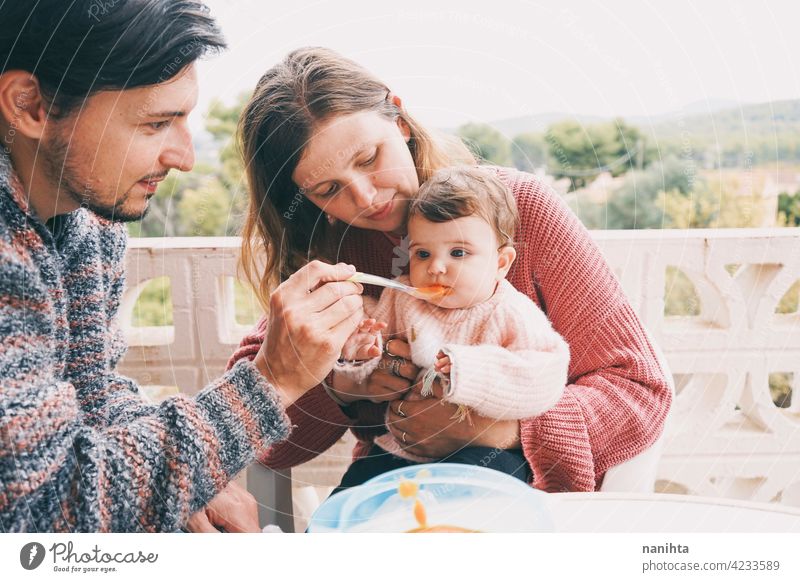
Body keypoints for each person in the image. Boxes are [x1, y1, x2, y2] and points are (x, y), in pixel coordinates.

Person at [230, 46, 672, 493]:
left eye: (368, 159)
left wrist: (499, 431)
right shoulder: (332, 256)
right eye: (328, 188)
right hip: (394, 486)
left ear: (399, 120)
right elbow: (264, 444)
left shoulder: (522, 211)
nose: (365, 198)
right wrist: (344, 389)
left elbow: (639, 391)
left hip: (528, 498)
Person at [0, 3, 363, 533]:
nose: (186, 157)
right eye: (156, 123)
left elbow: (91, 391)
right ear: (30, 105)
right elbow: (41, 509)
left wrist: (190, 483)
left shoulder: (89, 221)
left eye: (185, 118)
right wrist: (270, 380)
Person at [330, 166, 569, 488]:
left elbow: (545, 376)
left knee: (476, 499)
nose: (436, 267)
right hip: (399, 449)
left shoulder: (510, 311)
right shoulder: (403, 300)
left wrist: (469, 370)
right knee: (351, 495)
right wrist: (359, 353)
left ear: (501, 263)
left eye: (458, 253)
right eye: (422, 253)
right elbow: (374, 352)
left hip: (484, 452)